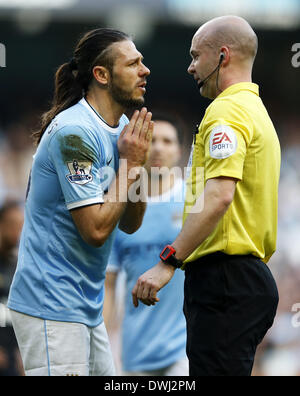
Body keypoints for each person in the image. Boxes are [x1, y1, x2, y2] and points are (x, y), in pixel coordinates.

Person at [132, 15, 281, 376]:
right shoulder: (256, 112)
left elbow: (218, 196)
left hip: (224, 281)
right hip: (243, 280)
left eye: (196, 56)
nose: (190, 67)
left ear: (223, 56)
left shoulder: (226, 111)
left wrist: (168, 261)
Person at [7, 28, 153, 376]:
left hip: (85, 307)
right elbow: (96, 230)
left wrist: (137, 166)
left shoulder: (120, 130)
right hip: (50, 304)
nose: (145, 70)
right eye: (133, 63)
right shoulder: (74, 133)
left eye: (143, 62)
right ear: (101, 75)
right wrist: (131, 165)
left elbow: (131, 223)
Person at [104, 115, 188, 376]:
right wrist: (105, 346)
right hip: (133, 352)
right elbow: (109, 285)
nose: (159, 148)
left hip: (184, 349)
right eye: (152, 141)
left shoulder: (194, 205)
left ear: (179, 150)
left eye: (167, 141)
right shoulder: (120, 209)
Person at [0, 201, 24, 376]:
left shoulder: (18, 266)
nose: (18, 231)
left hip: (12, 357)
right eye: (13, 225)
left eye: (21, 226)